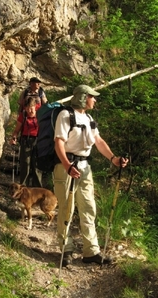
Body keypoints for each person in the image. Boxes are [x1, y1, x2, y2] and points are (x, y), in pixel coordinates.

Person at [53, 84, 128, 267]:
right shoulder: (65, 115)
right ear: (82, 97)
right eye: (92, 97)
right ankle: (66, 250)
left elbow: (98, 141)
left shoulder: (88, 117)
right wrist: (67, 165)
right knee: (66, 209)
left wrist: (114, 159)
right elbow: (59, 143)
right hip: (66, 168)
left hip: (85, 168)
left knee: (88, 208)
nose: (94, 100)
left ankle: (91, 252)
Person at [10, 97, 42, 187]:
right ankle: (23, 190)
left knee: (36, 167)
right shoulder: (23, 115)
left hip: (38, 141)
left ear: (35, 106)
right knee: (25, 166)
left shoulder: (40, 114)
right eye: (27, 108)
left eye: (31, 108)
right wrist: (14, 138)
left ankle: (37, 191)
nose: (29, 110)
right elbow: (17, 130)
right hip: (25, 141)